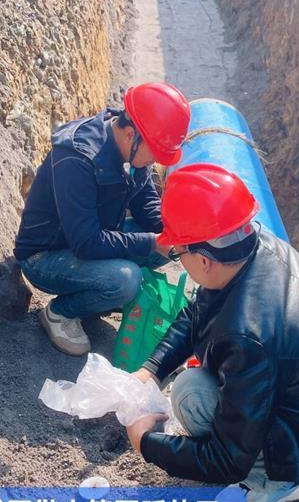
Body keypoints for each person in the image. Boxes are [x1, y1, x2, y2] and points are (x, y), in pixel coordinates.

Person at [125, 164, 299, 502]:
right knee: (203, 385)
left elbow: (226, 460)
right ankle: (285, 458)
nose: (179, 258)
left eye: (178, 253)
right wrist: (152, 368)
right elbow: (199, 310)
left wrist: (146, 443)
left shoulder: (248, 335)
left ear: (203, 259)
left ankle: (283, 480)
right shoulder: (254, 245)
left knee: (190, 395)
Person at [14, 83, 190, 356]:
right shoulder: (77, 158)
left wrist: (174, 234)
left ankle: (103, 292)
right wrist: (152, 242)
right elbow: (86, 242)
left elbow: (145, 203)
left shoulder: (133, 151)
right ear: (131, 135)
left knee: (170, 243)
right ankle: (60, 312)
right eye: (156, 152)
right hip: (46, 256)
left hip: (94, 236)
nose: (157, 160)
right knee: (126, 279)